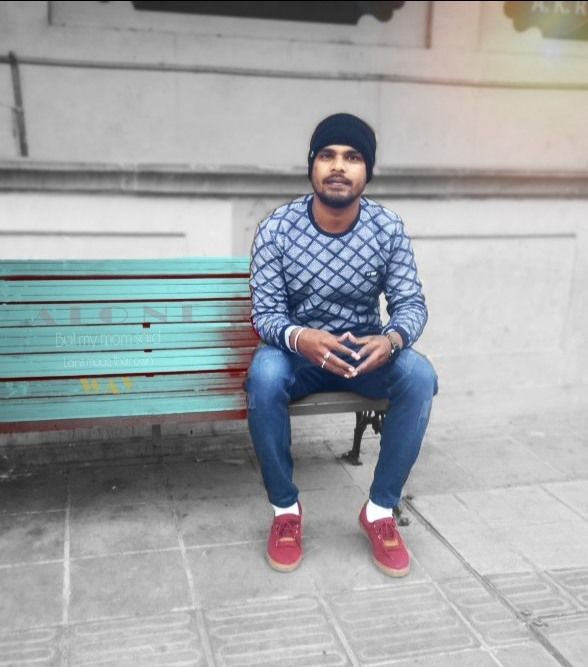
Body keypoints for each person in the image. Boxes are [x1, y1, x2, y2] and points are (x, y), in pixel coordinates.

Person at [246, 112, 438, 577]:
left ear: (367, 171)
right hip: (297, 355)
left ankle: (380, 510)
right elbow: (265, 314)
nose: (338, 166)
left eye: (352, 157)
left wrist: (391, 341)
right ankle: (285, 511)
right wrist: (300, 337)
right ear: (312, 165)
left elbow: (411, 304)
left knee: (419, 374)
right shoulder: (277, 228)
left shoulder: (387, 228)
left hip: (362, 354)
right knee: (263, 375)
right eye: (327, 156)